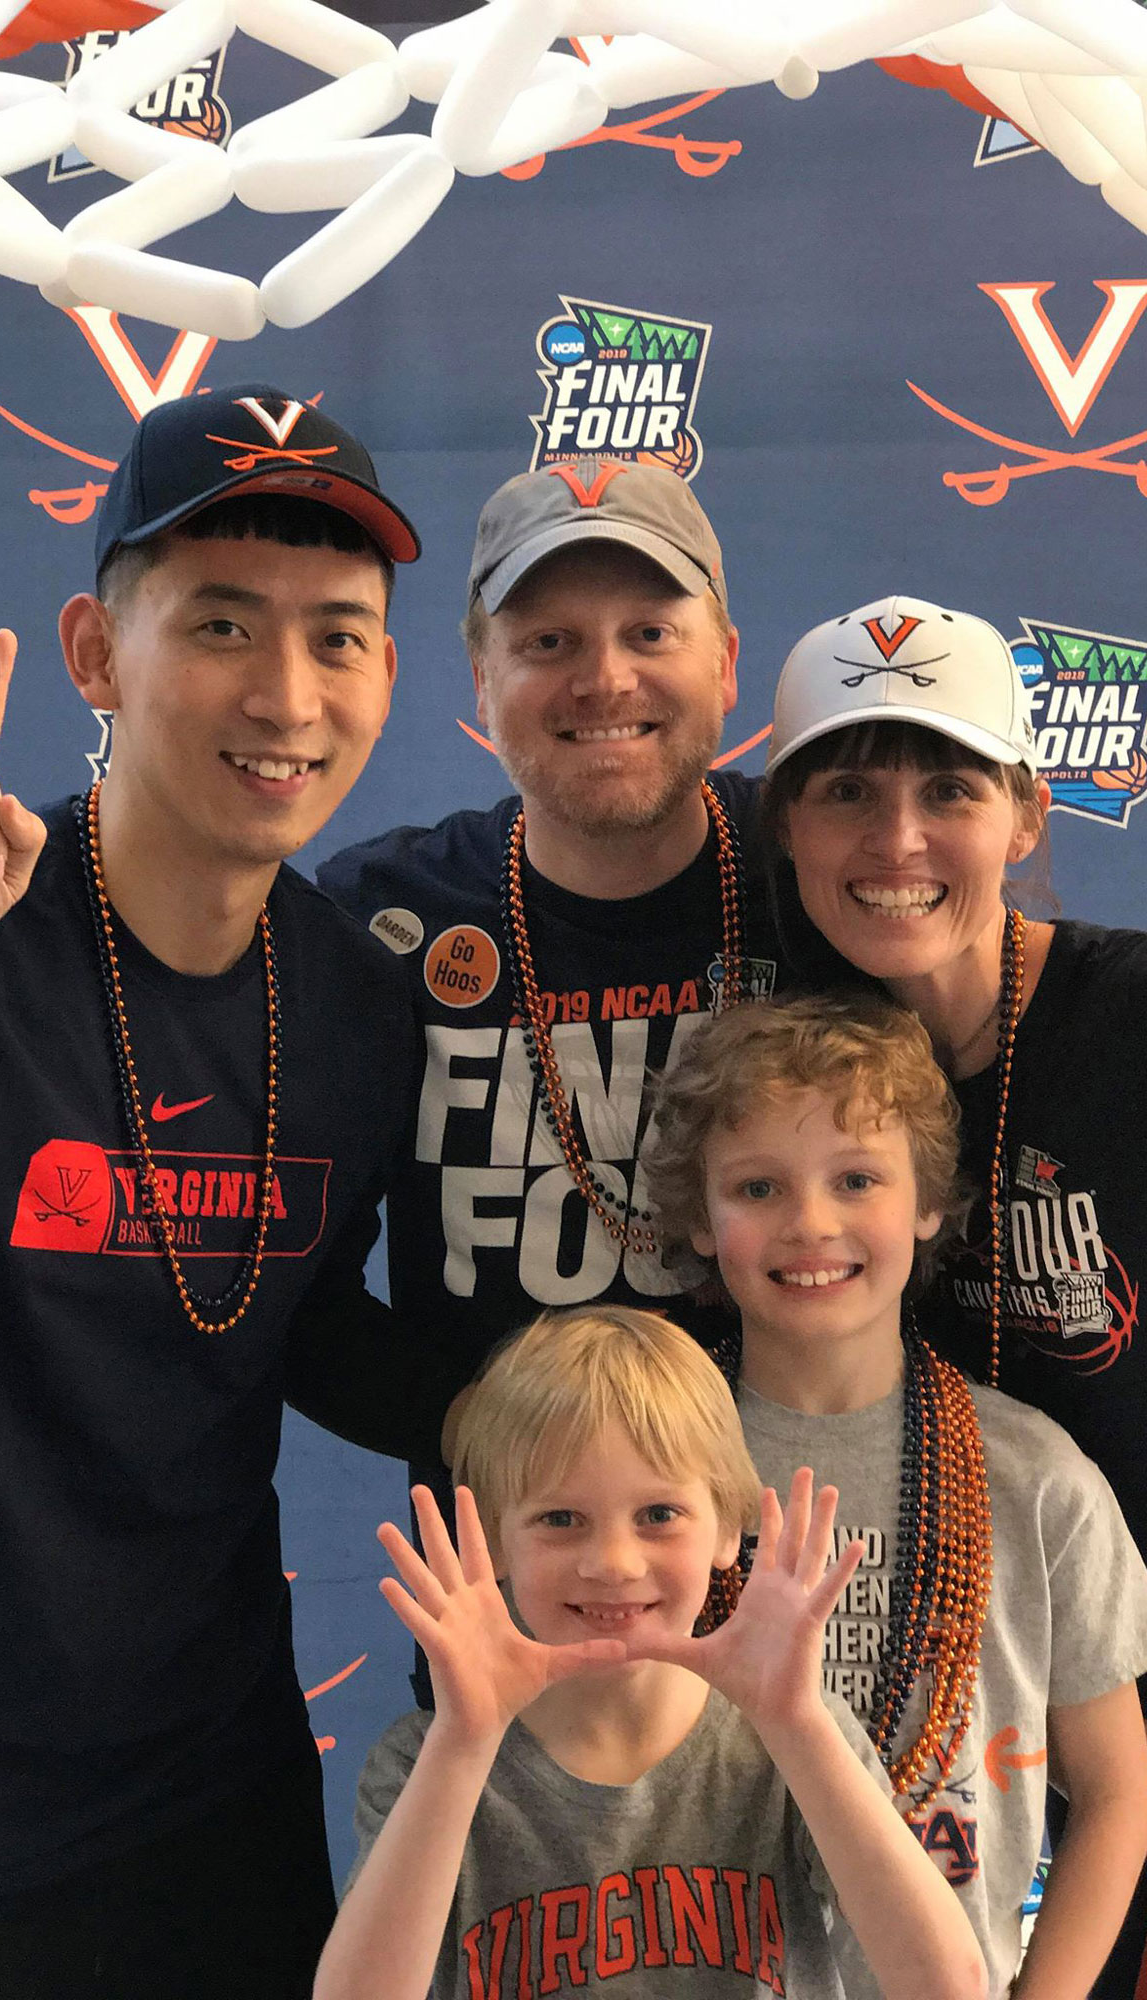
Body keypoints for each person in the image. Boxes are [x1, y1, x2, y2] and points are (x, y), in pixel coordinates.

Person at [0, 384, 466, 2000]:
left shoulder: (355, 1004)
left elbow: (311, 1334)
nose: (285, 691)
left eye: (339, 635)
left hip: (209, 1805)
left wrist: (662, 1405)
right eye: (219, 622)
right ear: (96, 653)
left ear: (389, 673)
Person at [759, 592, 1147, 1997]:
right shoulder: (795, 1087)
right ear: (785, 830)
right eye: (847, 790)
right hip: (1056, 1706)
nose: (897, 841)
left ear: (1026, 816)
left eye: (947, 787)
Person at [317, 460, 789, 1621]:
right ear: (481, 679)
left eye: (650, 630)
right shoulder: (379, 915)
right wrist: (514, 1455)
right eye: (548, 643)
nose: (605, 678)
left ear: (725, 664)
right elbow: (297, 1296)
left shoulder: (821, 872)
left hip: (815, 1585)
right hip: (520, 1616)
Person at [644, 993, 1147, 1998]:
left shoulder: (1035, 1475)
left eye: (857, 1178)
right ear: (701, 1220)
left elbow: (1114, 1792)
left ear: (929, 1201)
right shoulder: (641, 1463)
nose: (811, 1222)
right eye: (758, 1184)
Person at [314, 1305, 988, 2000]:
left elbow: (947, 1986)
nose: (613, 1561)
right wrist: (463, 1744)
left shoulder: (788, 1740)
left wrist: (798, 1726)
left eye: (658, 1515)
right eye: (560, 1519)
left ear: (729, 1523)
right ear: (491, 1536)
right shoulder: (425, 1760)